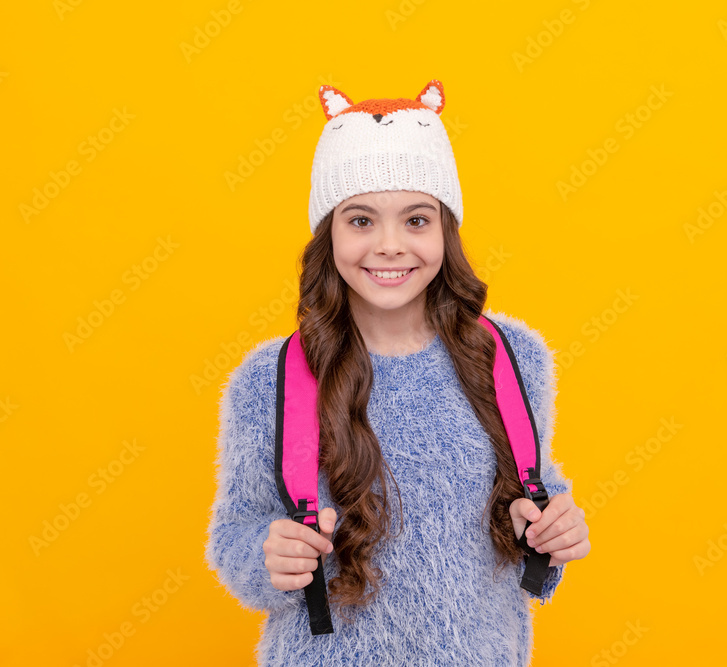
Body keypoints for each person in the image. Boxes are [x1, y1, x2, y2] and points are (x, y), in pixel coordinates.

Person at [205, 79, 590, 666]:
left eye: (416, 220)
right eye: (361, 221)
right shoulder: (268, 381)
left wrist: (550, 527)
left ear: (445, 231)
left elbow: (533, 490)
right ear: (328, 232)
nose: (389, 245)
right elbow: (234, 532)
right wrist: (265, 553)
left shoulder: (513, 358)